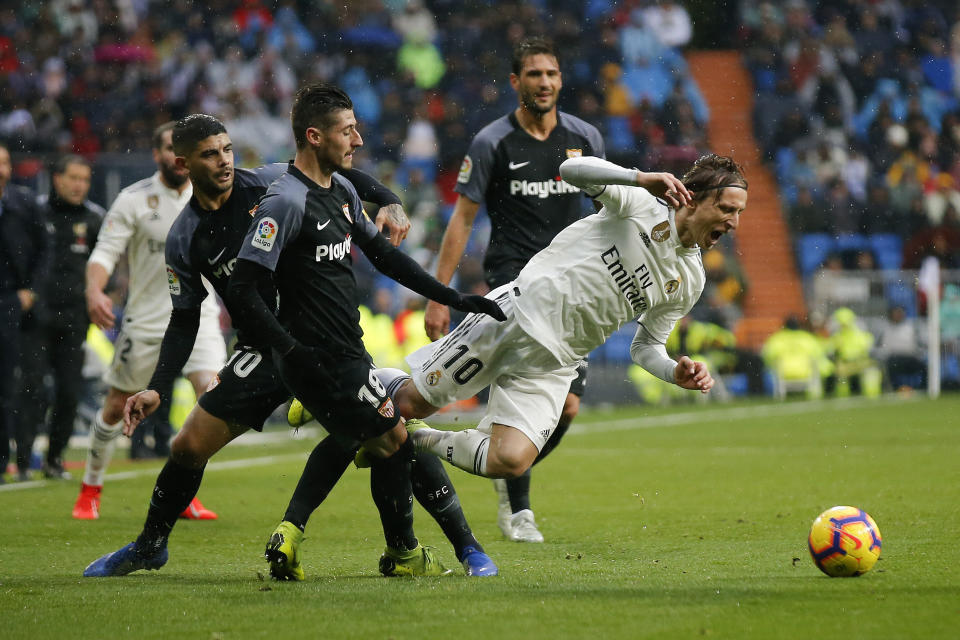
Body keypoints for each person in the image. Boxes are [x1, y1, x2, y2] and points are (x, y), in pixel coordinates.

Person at [83, 109, 497, 579]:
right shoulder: (185, 237)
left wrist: (386, 199)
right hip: (263, 352)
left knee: (391, 438)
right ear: (183, 166)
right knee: (186, 447)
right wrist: (158, 385)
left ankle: (465, 547)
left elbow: (336, 171)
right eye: (208, 155)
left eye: (226, 150)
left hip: (320, 343)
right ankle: (149, 545)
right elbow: (183, 319)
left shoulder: (269, 184)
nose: (223, 161)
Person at [224, 84, 505, 578]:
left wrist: (451, 296)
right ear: (314, 136)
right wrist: (289, 348)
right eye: (346, 131)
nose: (357, 140)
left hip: (344, 353)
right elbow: (244, 287)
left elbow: (385, 256)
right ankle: (431, 552)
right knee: (401, 434)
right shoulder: (285, 202)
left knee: (378, 439)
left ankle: (319, 537)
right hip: (319, 357)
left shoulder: (343, 191)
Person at [383, 153, 744, 485]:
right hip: (514, 319)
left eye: (739, 213)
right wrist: (639, 178)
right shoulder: (642, 205)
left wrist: (672, 372)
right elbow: (570, 170)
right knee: (412, 404)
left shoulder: (691, 280)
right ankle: (367, 382)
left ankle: (415, 438)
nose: (734, 222)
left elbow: (646, 346)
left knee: (508, 460)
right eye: (728, 209)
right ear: (695, 198)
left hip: (556, 362)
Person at [423, 36, 605, 543]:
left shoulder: (585, 138)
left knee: (566, 407)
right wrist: (440, 294)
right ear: (515, 82)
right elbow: (462, 219)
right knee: (510, 394)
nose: (543, 83)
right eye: (533, 75)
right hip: (514, 286)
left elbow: (606, 212)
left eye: (551, 73)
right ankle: (519, 507)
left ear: (561, 79)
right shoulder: (492, 143)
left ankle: (506, 475)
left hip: (574, 293)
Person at [72, 123, 226, 520]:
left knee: (210, 401)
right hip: (146, 321)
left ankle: (182, 491)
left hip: (200, 317)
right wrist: (94, 291)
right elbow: (105, 253)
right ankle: (91, 486)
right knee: (116, 405)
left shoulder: (213, 194)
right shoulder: (133, 199)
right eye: (168, 149)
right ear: (159, 155)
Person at [18, 155, 103, 481]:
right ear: (57, 179)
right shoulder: (35, 214)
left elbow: (104, 266)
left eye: (85, 178)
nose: (79, 184)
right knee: (31, 390)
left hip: (74, 320)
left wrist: (100, 296)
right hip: (36, 319)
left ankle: (54, 458)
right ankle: (24, 460)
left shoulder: (95, 219)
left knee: (69, 392)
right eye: (73, 177)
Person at [0, 142, 49, 483]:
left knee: (20, 384)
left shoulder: (24, 203)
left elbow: (45, 250)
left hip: (15, 303)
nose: (1, 168)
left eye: (3, 161)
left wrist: (31, 291)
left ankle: (16, 457)